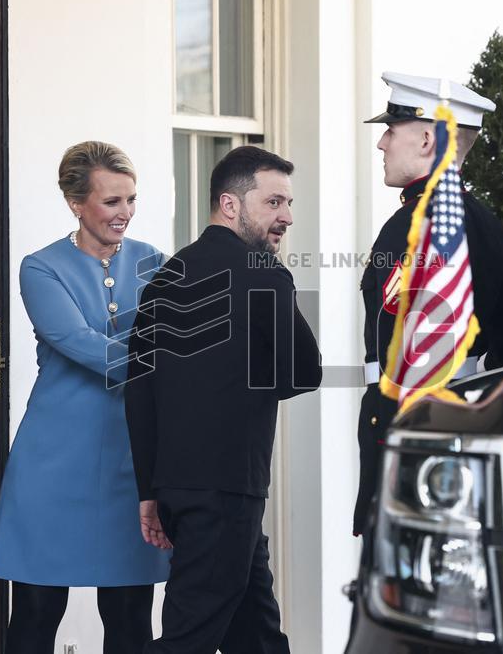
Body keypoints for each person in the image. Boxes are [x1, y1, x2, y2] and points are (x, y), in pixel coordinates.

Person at [125, 146, 322, 653]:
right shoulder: (264, 271)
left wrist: (151, 488)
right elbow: (304, 372)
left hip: (178, 487)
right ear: (230, 204)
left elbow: (139, 393)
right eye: (275, 203)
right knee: (190, 634)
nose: (287, 217)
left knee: (255, 630)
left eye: (288, 204)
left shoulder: (165, 278)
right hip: (229, 488)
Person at [0, 141, 171, 654]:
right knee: (38, 611)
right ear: (76, 204)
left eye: (131, 199)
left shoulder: (154, 262)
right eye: (112, 201)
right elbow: (73, 340)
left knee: (130, 613)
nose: (125, 213)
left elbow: (175, 336)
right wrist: (163, 365)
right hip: (54, 462)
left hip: (132, 461)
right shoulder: (40, 267)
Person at [353, 71, 503, 535]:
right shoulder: (481, 223)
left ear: (424, 139)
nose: (381, 144)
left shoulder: (418, 226)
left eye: (390, 131)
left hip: (419, 432)